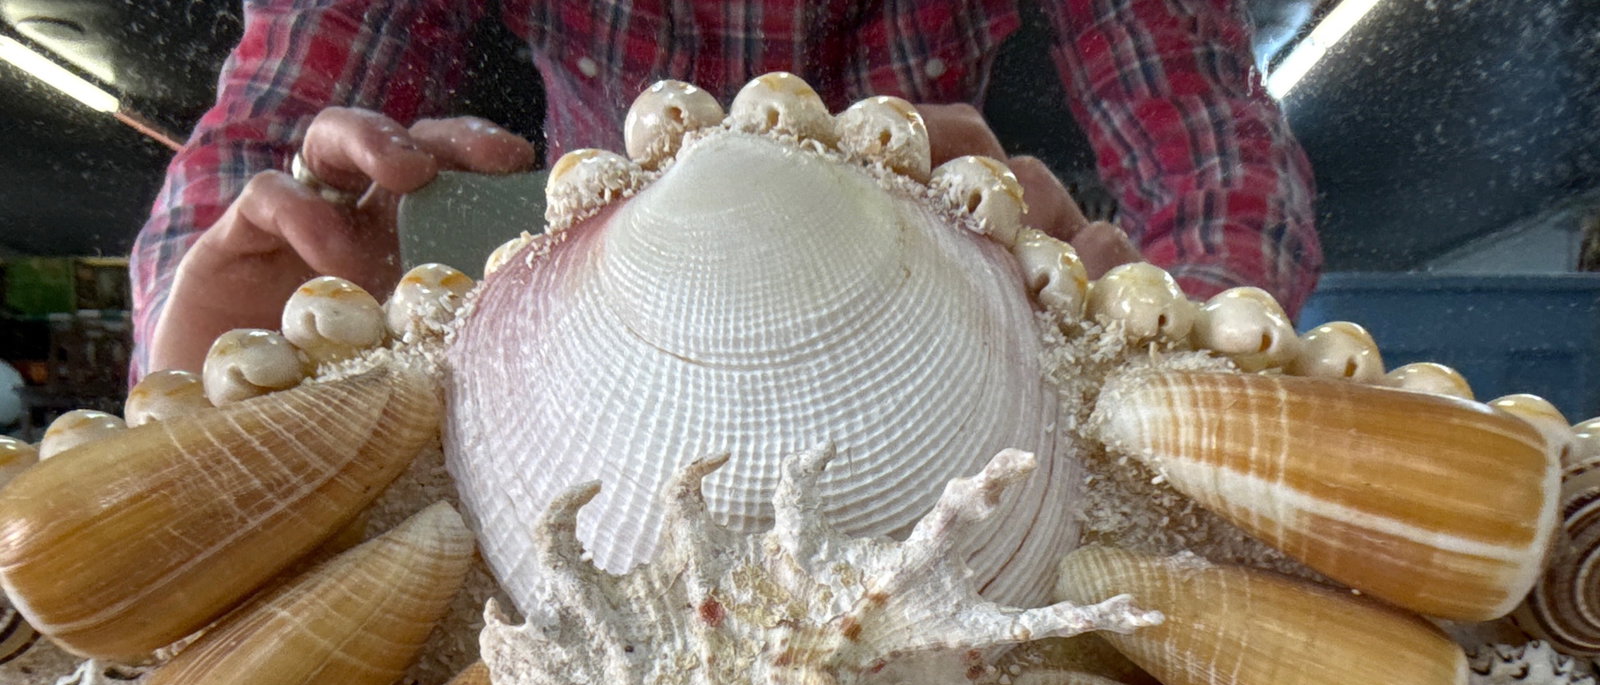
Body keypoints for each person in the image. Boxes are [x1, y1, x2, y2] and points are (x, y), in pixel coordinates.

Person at [130, 0, 1322, 377]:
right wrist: (224, 360)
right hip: (583, 356)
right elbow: (268, 131)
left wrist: (1168, 343)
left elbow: (1209, 138)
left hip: (928, 348)